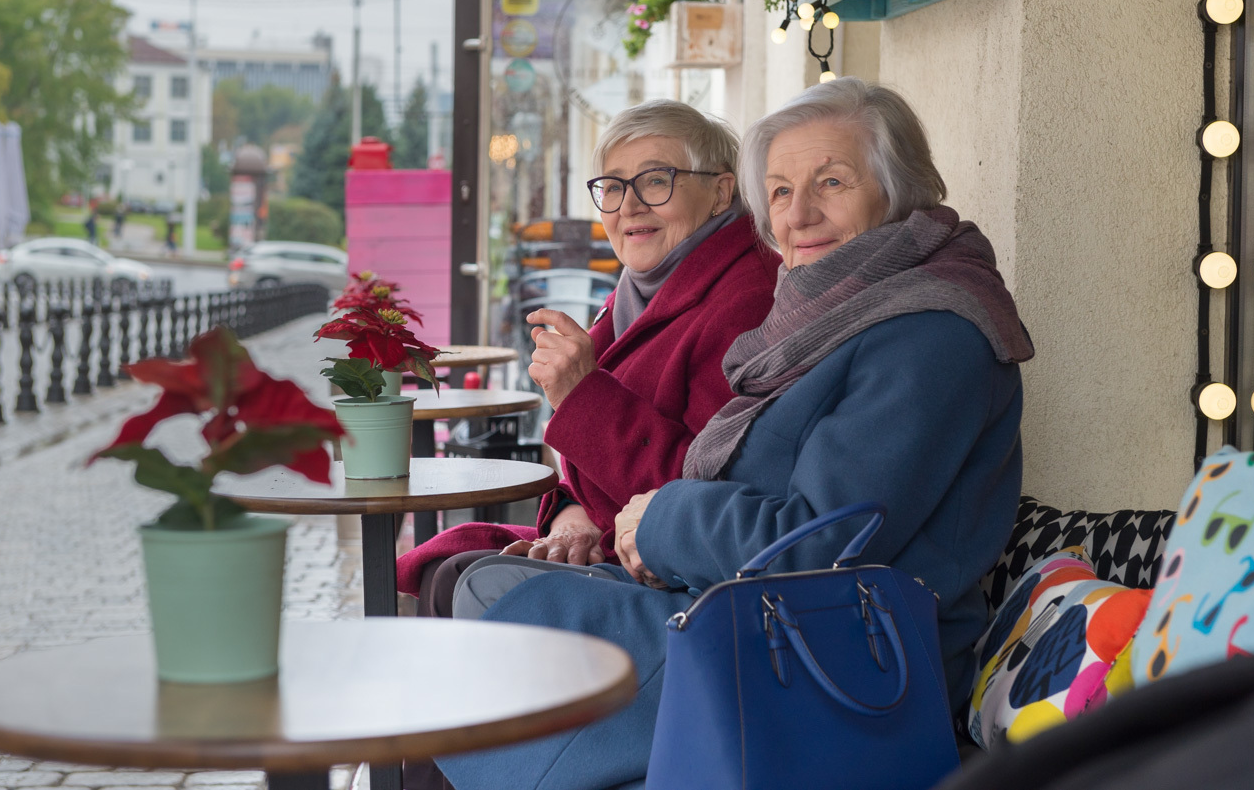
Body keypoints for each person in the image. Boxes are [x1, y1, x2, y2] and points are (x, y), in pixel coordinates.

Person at [437, 78, 1035, 790]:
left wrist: (660, 519)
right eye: (780, 191)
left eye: (831, 182)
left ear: (897, 187)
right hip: (748, 615)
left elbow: (820, 542)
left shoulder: (930, 333)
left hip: (833, 660)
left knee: (484, 616)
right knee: (479, 612)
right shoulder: (833, 311)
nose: (800, 213)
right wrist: (637, 524)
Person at [395, 100, 780, 617]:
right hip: (608, 537)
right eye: (614, 187)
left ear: (720, 192)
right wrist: (569, 516)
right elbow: (585, 469)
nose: (629, 207)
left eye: (656, 180)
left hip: (679, 579)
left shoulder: (746, 299)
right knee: (432, 571)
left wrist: (581, 395)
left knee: (455, 580)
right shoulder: (639, 289)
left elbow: (705, 491)